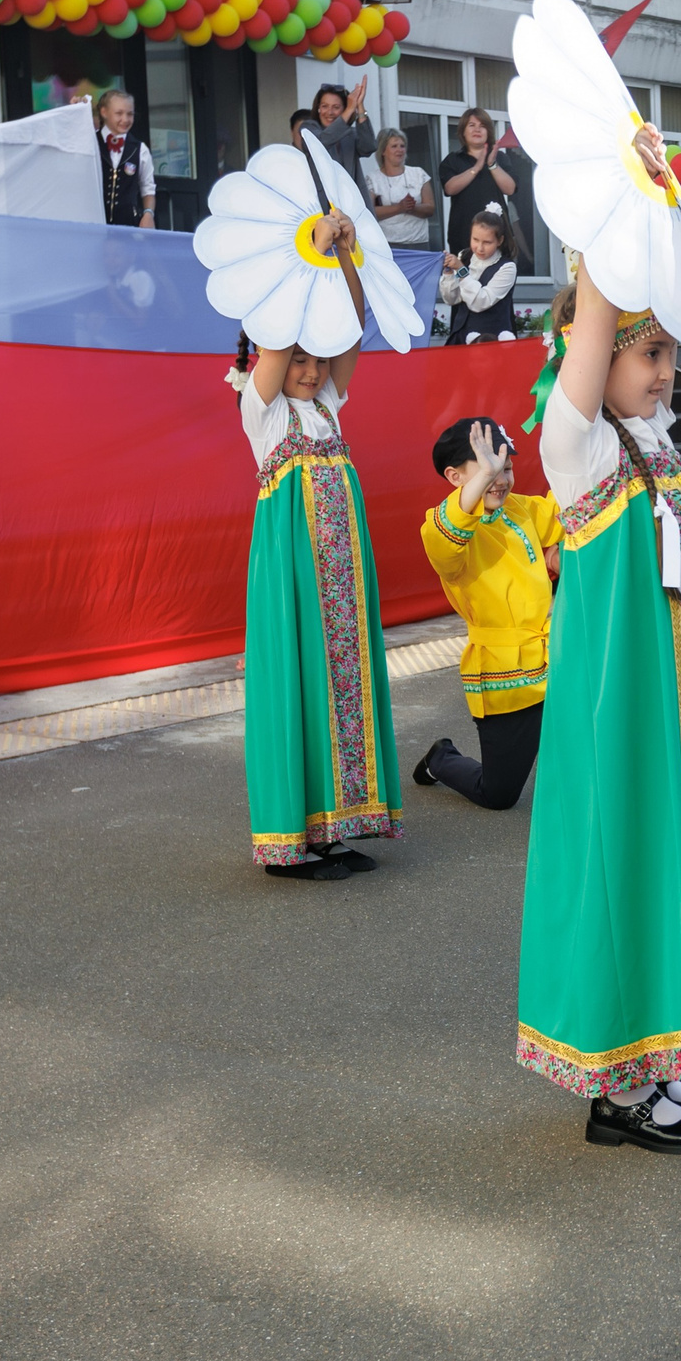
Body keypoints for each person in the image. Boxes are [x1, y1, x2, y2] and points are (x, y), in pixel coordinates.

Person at [522, 223, 681, 1153]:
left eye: (670, 354)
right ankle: (619, 1092)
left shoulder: (651, 437)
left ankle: (661, 1067)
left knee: (671, 861)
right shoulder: (579, 447)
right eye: (649, 353)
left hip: (675, 709)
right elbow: (590, 343)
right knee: (627, 864)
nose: (666, 372)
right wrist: (609, 235)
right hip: (620, 712)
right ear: (599, 347)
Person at [232, 225, 401, 880]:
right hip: (295, 584)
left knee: (340, 689)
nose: (309, 370)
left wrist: (342, 259)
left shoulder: (328, 403)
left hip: (342, 586)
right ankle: (289, 844)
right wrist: (303, 262)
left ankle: (334, 828)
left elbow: (351, 327)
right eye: (298, 359)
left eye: (314, 360)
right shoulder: (264, 410)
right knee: (299, 687)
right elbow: (281, 341)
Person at [414, 417, 562, 810]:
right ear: (455, 476)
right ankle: (441, 758)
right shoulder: (442, 530)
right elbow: (450, 532)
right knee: (498, 795)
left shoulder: (523, 508)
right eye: (486, 468)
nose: (500, 477)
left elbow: (563, 530)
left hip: (558, 656)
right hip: (507, 672)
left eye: (506, 466)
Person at [438, 107, 518, 256]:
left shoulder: (500, 158)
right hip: (464, 234)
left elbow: (510, 189)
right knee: (464, 278)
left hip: (497, 235)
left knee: (498, 276)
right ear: (463, 131)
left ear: (488, 131)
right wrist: (477, 167)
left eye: (482, 126)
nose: (477, 130)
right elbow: (450, 188)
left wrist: (492, 165)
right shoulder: (453, 160)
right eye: (472, 125)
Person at [440, 206, 519, 344]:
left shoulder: (507, 267)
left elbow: (480, 302)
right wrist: (448, 274)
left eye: (487, 242)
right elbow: (452, 299)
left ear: (500, 241)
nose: (480, 248)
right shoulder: (464, 256)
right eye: (475, 240)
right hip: (461, 337)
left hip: (490, 341)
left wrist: (461, 270)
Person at [365, 126, 436, 248]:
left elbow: (430, 208)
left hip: (418, 243)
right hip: (386, 244)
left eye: (402, 146)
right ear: (383, 151)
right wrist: (399, 207)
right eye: (394, 146)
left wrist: (412, 207)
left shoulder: (419, 173)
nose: (400, 150)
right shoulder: (372, 179)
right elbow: (370, 212)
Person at [95, 90, 155, 228]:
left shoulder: (140, 149)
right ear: (104, 112)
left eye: (130, 114)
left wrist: (148, 213)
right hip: (94, 222)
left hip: (128, 224)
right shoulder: (91, 143)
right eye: (119, 113)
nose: (125, 119)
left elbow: (148, 187)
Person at [305, 80, 375, 183]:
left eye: (336, 107)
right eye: (324, 106)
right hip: (319, 197)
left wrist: (359, 106)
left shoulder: (350, 134)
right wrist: (350, 108)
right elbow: (321, 142)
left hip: (349, 197)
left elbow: (369, 147)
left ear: (344, 109)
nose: (330, 112)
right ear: (318, 108)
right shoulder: (308, 129)